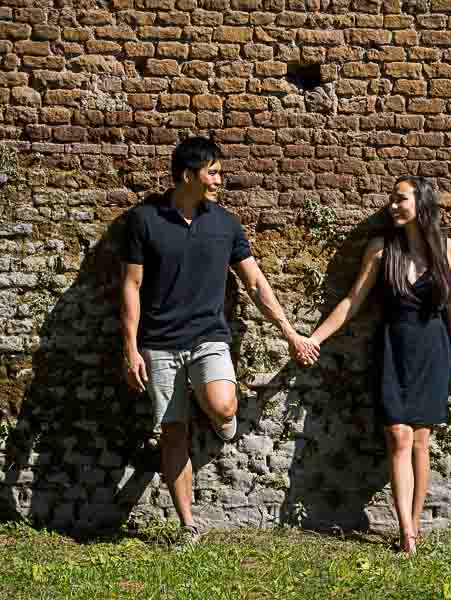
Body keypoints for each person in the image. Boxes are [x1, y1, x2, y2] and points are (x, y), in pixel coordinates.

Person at [120, 137, 319, 546]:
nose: (219, 180)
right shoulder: (144, 220)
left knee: (222, 404)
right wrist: (130, 347)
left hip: (209, 336)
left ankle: (222, 421)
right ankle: (188, 524)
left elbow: (255, 283)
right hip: (159, 343)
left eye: (219, 172)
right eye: (212, 172)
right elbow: (131, 285)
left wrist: (288, 331)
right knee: (173, 430)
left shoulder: (225, 224)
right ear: (187, 175)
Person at [303, 176, 451, 555]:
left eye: (401, 199)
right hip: (392, 348)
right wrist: (314, 338)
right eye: (391, 200)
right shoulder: (381, 249)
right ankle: (406, 533)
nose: (393, 206)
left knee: (420, 441)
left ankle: (414, 524)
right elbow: (352, 302)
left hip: (433, 350)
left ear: (422, 203)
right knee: (398, 436)